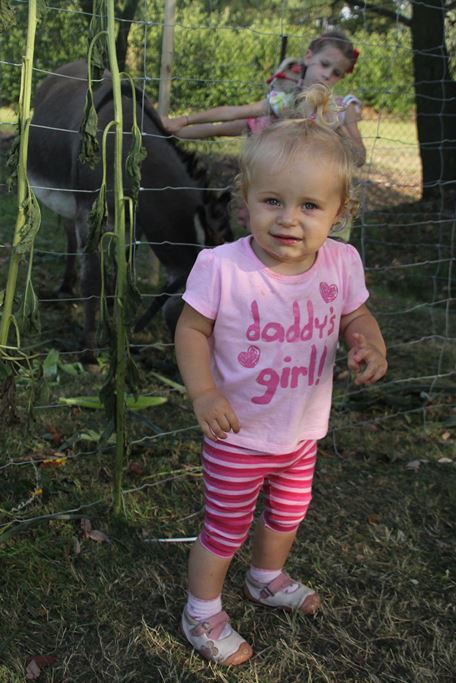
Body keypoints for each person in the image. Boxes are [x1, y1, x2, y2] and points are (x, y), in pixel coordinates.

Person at [173, 84, 387, 666]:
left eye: (310, 206)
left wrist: (367, 342)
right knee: (225, 527)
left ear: (340, 212)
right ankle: (201, 612)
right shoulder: (222, 267)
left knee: (289, 513)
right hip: (238, 430)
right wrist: (204, 391)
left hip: (300, 433)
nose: (288, 219)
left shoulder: (342, 263)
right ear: (245, 200)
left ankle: (266, 577)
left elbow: (355, 314)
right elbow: (191, 332)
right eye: (272, 201)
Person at [162, 29, 367, 166]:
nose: (327, 75)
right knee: (222, 127)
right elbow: (234, 111)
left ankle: (167, 132)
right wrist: (184, 119)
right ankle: (167, 132)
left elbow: (359, 158)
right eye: (324, 64)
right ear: (308, 57)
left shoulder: (342, 108)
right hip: (267, 131)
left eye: (337, 73)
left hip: (299, 168)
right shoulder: (287, 97)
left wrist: (335, 125)